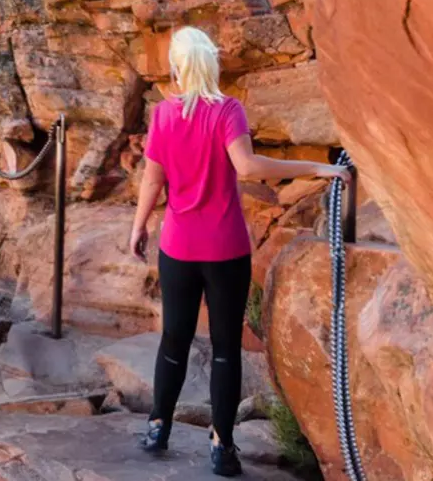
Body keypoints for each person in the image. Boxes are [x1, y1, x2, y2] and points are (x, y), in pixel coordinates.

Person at [128, 27, 349, 476]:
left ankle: (158, 426)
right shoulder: (227, 110)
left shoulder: (164, 116)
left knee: (174, 339)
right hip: (225, 248)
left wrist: (139, 227)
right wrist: (319, 166)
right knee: (225, 348)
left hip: (178, 247)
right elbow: (247, 166)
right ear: (212, 64)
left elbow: (152, 179)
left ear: (176, 66)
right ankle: (222, 446)